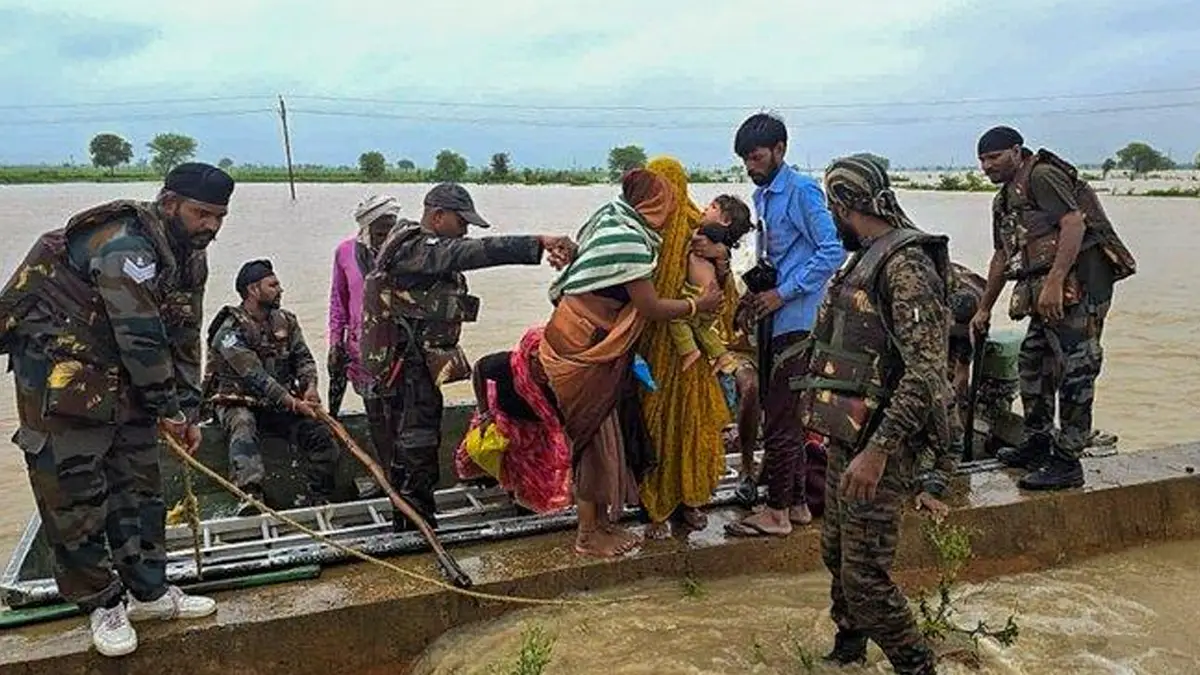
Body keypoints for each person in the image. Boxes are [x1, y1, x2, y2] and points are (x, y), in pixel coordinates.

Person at [0, 163, 234, 657]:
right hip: (59, 371)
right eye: (201, 214)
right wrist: (167, 410)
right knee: (75, 491)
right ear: (169, 203)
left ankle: (148, 591)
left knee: (140, 481)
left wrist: (187, 410)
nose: (210, 226)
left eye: (219, 217)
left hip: (121, 371)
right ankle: (102, 603)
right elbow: (142, 337)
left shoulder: (189, 254)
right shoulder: (123, 244)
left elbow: (184, 336)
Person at [802, 154, 957, 675]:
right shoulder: (865, 256)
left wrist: (878, 450)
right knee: (836, 554)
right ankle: (847, 656)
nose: (831, 217)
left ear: (844, 205)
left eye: (831, 207)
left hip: (885, 446)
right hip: (852, 437)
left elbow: (925, 372)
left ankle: (918, 666)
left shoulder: (904, 266)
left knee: (867, 580)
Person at [360, 183, 577, 531]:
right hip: (405, 370)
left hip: (410, 367)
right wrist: (539, 242)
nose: (465, 231)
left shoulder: (418, 251)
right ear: (437, 216)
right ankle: (417, 527)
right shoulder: (414, 249)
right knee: (416, 447)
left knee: (409, 448)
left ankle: (412, 519)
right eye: (461, 223)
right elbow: (473, 252)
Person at [539, 168, 722, 557]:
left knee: (606, 437)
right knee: (593, 437)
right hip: (584, 347)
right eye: (668, 199)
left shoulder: (611, 216)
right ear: (654, 202)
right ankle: (587, 535)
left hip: (589, 340)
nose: (673, 208)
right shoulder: (629, 241)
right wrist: (698, 305)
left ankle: (603, 523)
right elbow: (650, 306)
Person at [972, 126, 1137, 490]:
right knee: (1032, 362)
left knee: (1077, 368)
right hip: (1047, 291)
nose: (987, 165)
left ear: (1017, 151)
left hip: (1079, 286)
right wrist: (984, 309)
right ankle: (1037, 441)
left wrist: (1055, 281)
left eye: (994, 157)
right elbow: (1002, 255)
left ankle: (1067, 461)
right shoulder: (1003, 200)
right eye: (982, 159)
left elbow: (1073, 224)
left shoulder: (1042, 176)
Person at [724, 113, 845, 538]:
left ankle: (775, 512)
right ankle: (794, 505)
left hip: (799, 319)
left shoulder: (802, 192)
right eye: (745, 161)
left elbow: (832, 251)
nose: (751, 168)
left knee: (779, 418)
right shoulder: (764, 197)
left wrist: (784, 292)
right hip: (774, 317)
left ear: (780, 150)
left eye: (756, 158)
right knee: (784, 413)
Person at [636, 156, 736, 538]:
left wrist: (722, 261)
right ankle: (654, 506)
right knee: (655, 421)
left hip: (690, 345)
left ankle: (691, 500)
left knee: (692, 422)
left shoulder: (699, 229)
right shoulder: (642, 229)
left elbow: (722, 291)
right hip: (651, 341)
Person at [203, 259, 338, 513]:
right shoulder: (229, 330)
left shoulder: (286, 321)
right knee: (243, 423)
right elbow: (255, 376)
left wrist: (310, 388)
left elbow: (304, 359)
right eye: (273, 285)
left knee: (319, 433)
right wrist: (293, 403)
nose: (280, 289)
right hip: (237, 401)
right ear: (253, 290)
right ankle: (250, 495)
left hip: (278, 403)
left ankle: (319, 496)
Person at [453, 326, 572, 514]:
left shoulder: (562, 375)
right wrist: (484, 412)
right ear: (527, 356)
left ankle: (528, 503)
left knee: (547, 475)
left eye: (550, 360)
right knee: (504, 466)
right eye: (538, 360)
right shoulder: (504, 365)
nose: (544, 367)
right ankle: (509, 494)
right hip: (507, 423)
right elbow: (479, 370)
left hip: (541, 432)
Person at [328, 194, 401, 495]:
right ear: (367, 226)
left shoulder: (401, 251)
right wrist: (335, 341)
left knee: (400, 413)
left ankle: (403, 474)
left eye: (391, 227)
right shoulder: (345, 252)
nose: (386, 235)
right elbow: (338, 302)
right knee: (375, 416)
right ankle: (386, 475)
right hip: (361, 350)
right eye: (382, 229)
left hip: (398, 347)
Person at [668, 195, 754, 372]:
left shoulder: (712, 233)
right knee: (702, 329)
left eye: (713, 207)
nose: (705, 208)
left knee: (676, 317)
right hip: (710, 299)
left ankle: (689, 351)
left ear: (726, 220)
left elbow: (699, 235)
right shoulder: (721, 242)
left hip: (697, 294)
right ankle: (722, 356)